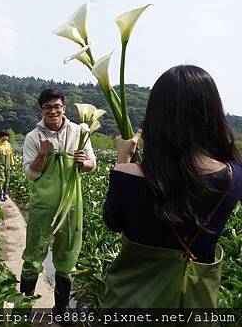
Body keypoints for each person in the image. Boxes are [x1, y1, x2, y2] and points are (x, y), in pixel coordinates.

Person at [102, 65, 242, 308]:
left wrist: (123, 161)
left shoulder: (127, 176)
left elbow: (113, 222)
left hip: (134, 304)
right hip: (196, 304)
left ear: (156, 118)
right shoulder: (235, 175)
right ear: (213, 116)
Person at [20, 89, 96, 315]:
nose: (53, 111)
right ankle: (24, 307)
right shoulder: (34, 137)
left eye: (57, 106)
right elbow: (30, 175)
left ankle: (61, 310)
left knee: (67, 256)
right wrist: (42, 154)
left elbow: (92, 164)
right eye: (47, 107)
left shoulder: (79, 132)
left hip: (72, 205)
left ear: (64, 107)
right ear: (41, 110)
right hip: (43, 204)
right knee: (34, 254)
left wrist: (84, 163)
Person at [0, 129, 15, 201]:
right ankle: (0, 194)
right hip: (0, 165)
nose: (7, 138)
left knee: (7, 179)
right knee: (1, 179)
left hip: (7, 165)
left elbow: (11, 155)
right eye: (5, 136)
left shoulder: (8, 144)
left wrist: (12, 163)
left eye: (7, 136)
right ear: (1, 136)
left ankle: (5, 193)